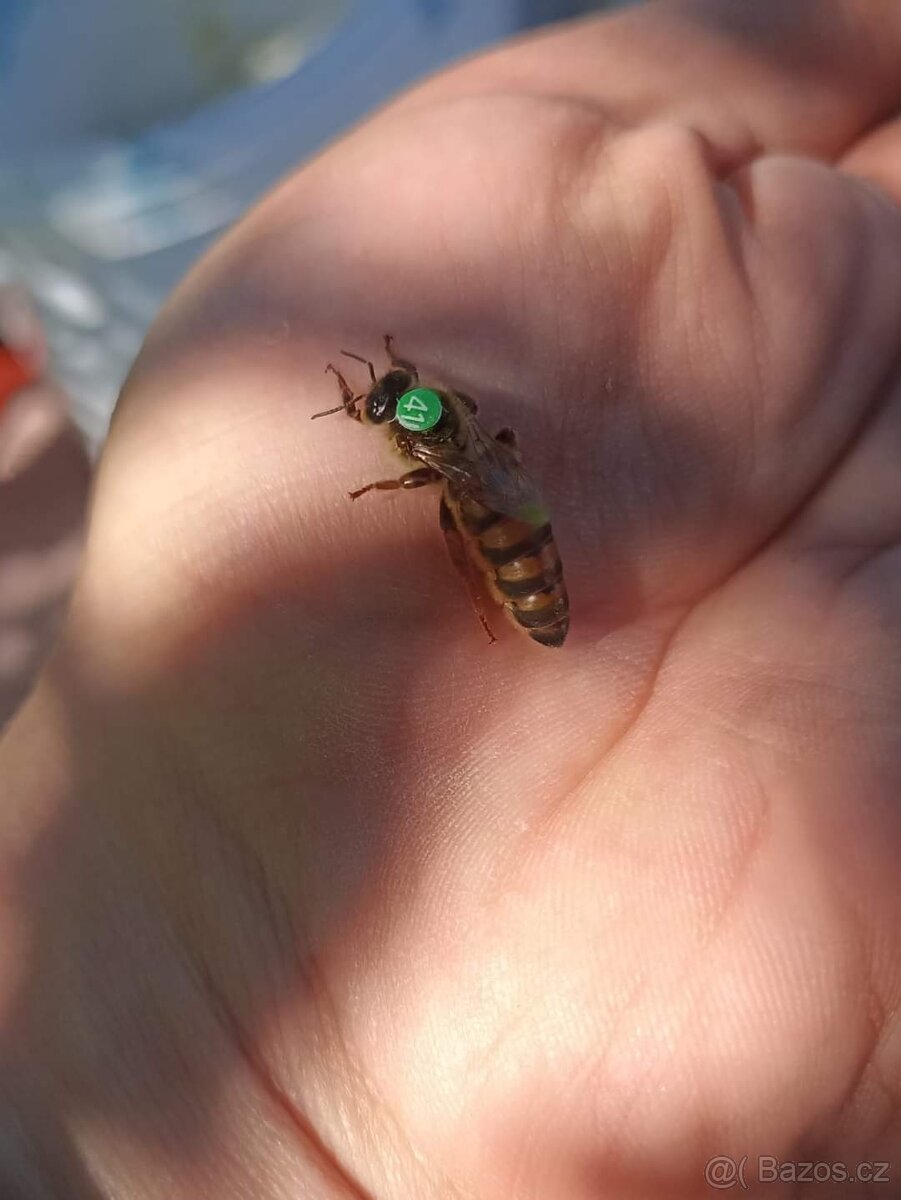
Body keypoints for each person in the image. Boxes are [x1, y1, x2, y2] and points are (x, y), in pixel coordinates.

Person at [2, 1, 900, 1195]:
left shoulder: (427, 445)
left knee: (466, 532)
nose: (382, 398)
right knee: (475, 517)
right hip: (512, 502)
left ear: (408, 415)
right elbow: (453, 432)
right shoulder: (444, 411)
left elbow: (448, 468)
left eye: (384, 397)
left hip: (509, 528)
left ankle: (501, 593)